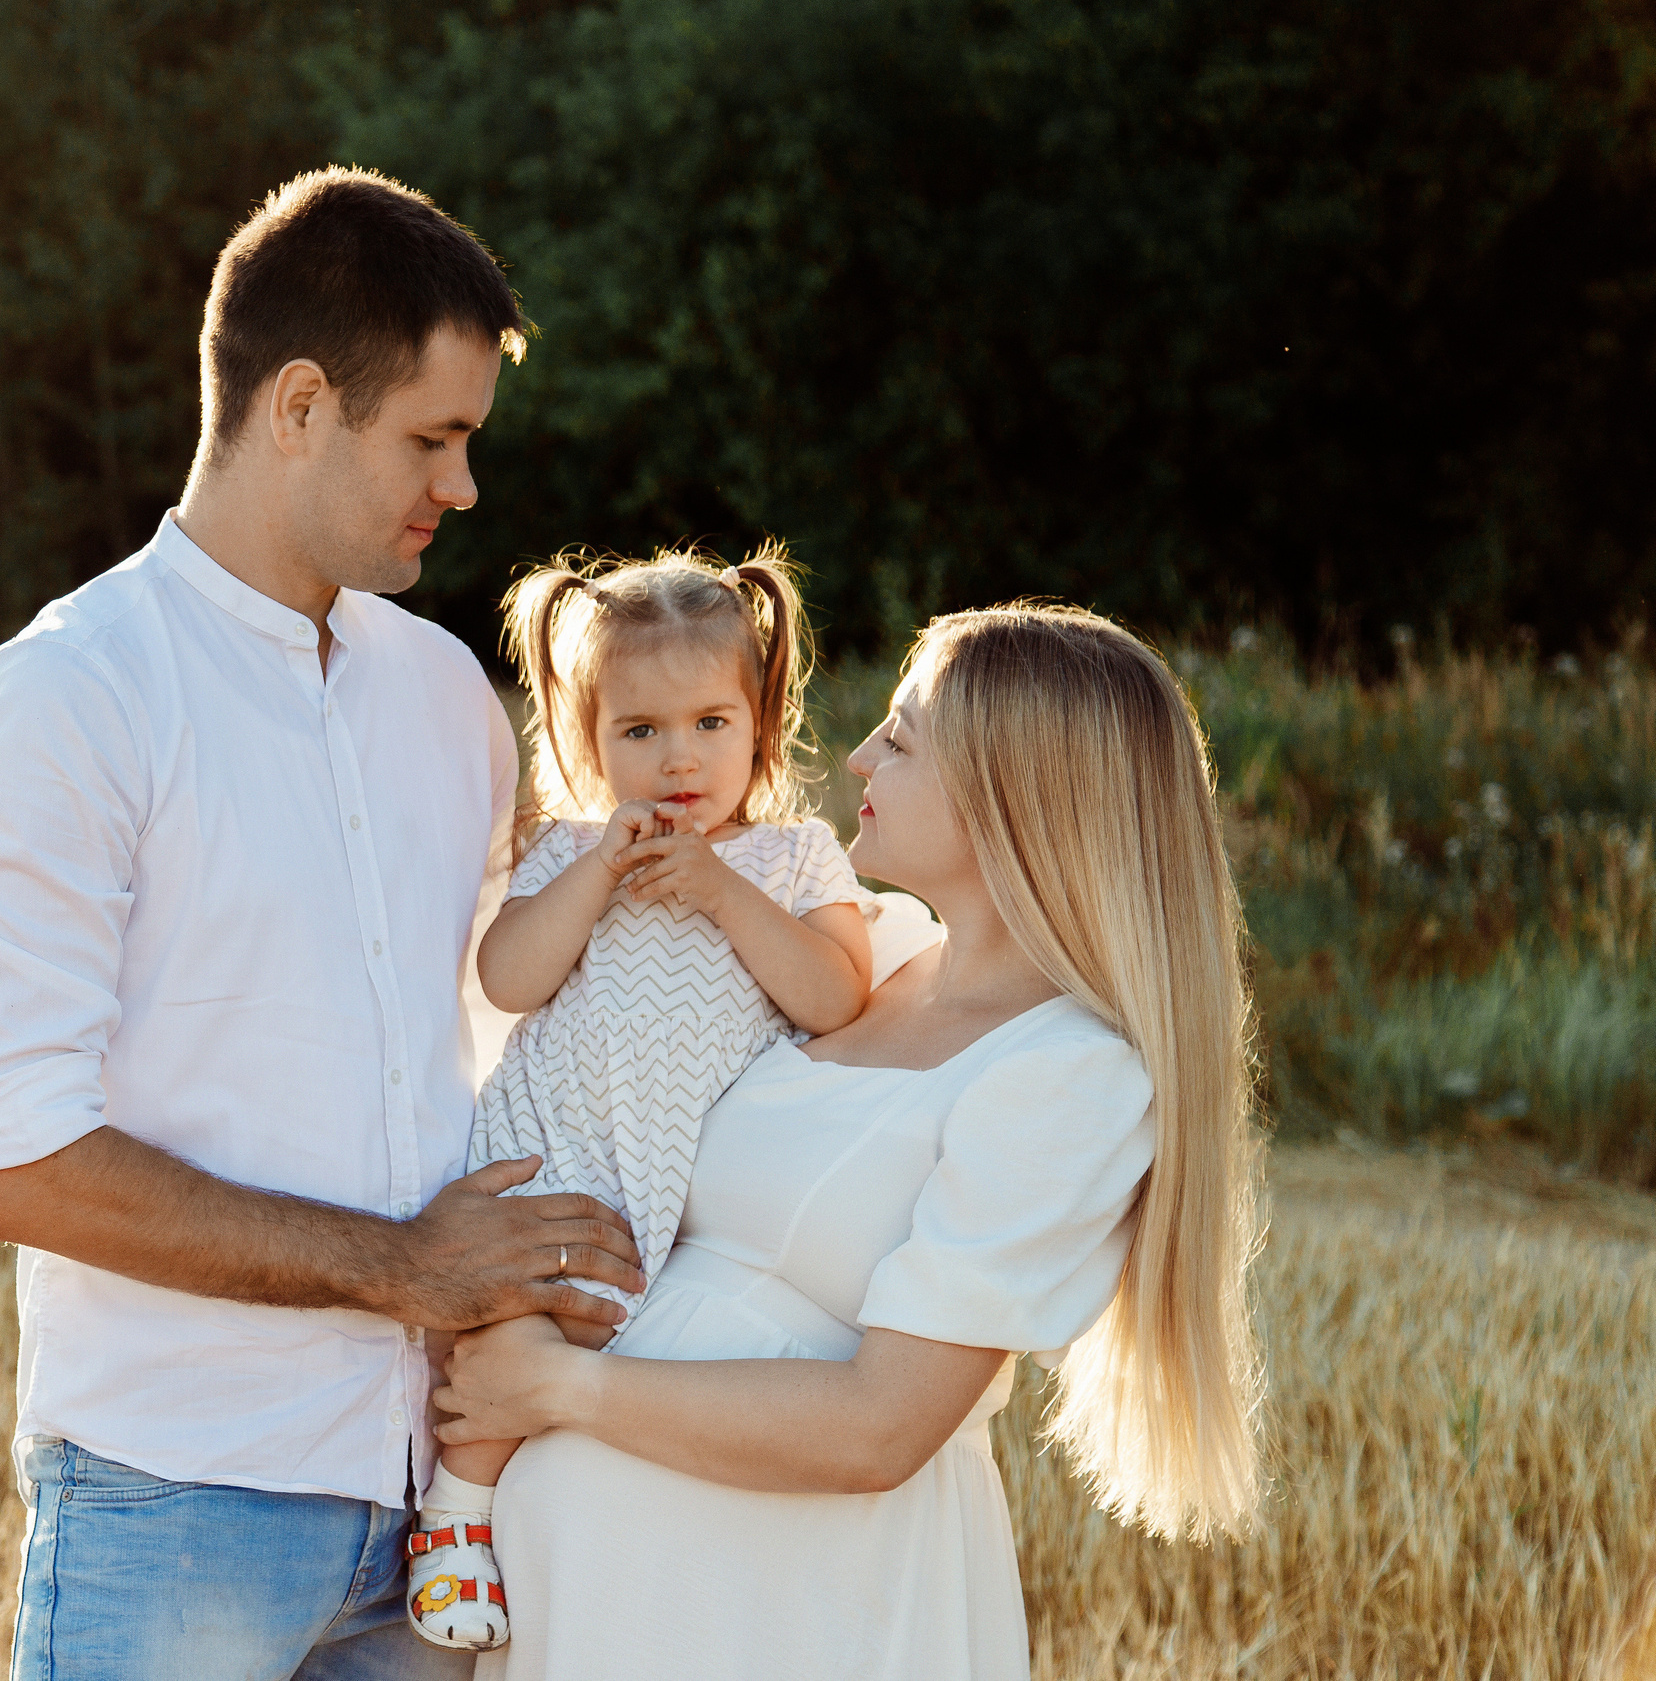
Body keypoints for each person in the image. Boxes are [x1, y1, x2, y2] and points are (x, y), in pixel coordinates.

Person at [0, 166, 648, 1681]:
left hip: (443, 1507)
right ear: (301, 401)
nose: (463, 488)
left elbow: (518, 1023)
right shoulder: (73, 695)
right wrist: (404, 1266)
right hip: (175, 1493)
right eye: (433, 439)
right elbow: (16, 1158)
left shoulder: (455, 700)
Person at [433, 603, 1267, 1681]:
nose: (862, 751)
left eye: (904, 737)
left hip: (793, 1611)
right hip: (598, 1596)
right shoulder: (876, 954)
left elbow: (882, 1427)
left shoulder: (1068, 1073)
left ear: (1013, 793)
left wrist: (557, 1393)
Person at [404, 546, 887, 1651]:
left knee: (618, 1353)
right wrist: (591, 876)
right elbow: (508, 978)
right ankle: (457, 1515)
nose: (680, 760)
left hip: (679, 1173)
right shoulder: (571, 849)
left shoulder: (791, 857)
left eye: (711, 723)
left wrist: (719, 894)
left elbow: (834, 997)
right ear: (587, 739)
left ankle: (578, 1556)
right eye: (639, 732)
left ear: (760, 720)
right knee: (515, 1318)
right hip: (557, 1142)